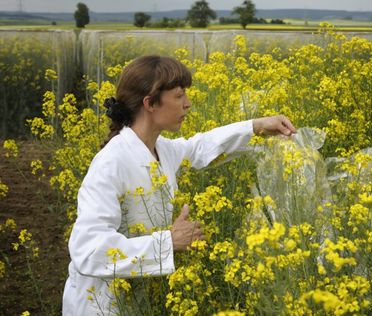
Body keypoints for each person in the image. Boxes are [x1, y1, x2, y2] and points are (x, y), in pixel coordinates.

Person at [62, 55, 296, 315]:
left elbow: (197, 148)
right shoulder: (110, 163)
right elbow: (88, 249)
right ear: (150, 103)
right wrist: (167, 242)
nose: (188, 103)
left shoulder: (160, 148)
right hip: (101, 305)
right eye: (179, 96)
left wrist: (256, 127)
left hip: (138, 299)